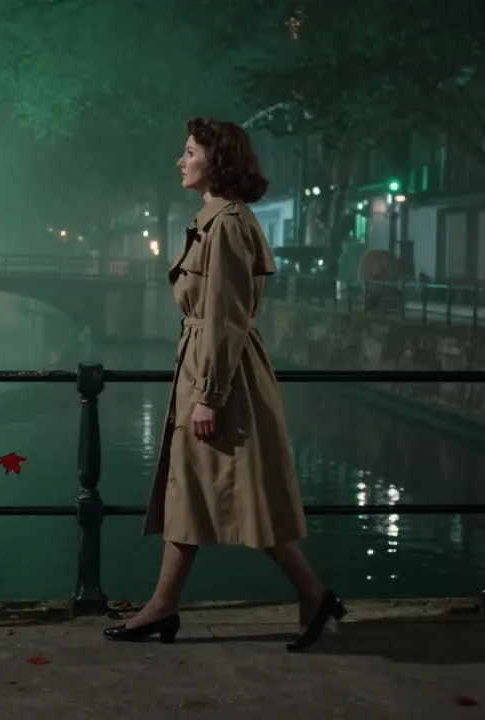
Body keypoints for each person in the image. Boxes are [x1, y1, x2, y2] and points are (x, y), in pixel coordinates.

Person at [103, 117, 344, 652]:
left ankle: (310, 592)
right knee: (190, 491)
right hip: (205, 370)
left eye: (189, 152)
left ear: (215, 162)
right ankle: (164, 607)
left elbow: (227, 319)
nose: (180, 160)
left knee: (244, 496)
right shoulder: (213, 222)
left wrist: (209, 394)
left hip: (221, 378)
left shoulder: (229, 225)